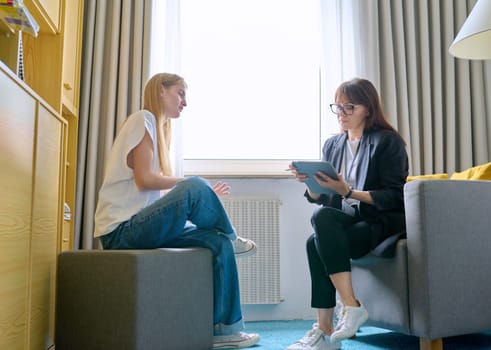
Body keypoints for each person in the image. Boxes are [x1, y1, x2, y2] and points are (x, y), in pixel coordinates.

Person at [94, 72, 260, 349]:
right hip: (120, 231)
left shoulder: (160, 132)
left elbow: (153, 194)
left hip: (140, 226)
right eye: (181, 93)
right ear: (161, 89)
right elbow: (144, 179)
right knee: (195, 184)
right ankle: (233, 236)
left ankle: (225, 330)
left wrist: (200, 192)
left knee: (216, 242)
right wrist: (194, 187)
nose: (185, 102)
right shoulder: (142, 119)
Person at [287, 78, 408, 350]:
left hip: (380, 222)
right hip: (347, 219)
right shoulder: (333, 145)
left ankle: (348, 309)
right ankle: (327, 330)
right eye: (338, 107)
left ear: (368, 108)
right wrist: (311, 184)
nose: (341, 114)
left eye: (349, 107)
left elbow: (395, 196)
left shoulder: (387, 142)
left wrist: (349, 192)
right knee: (317, 230)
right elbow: (323, 198)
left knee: (317, 231)